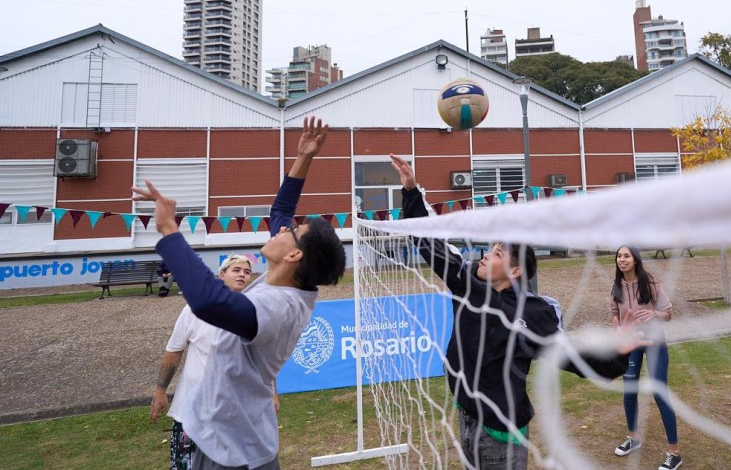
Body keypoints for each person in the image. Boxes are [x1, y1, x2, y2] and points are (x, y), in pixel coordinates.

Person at [389, 154, 649, 470]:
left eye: (497, 253)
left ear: (514, 272)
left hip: (501, 433)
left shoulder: (533, 314)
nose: (485, 256)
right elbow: (430, 244)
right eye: (489, 249)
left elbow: (572, 356)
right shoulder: (467, 282)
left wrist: (617, 354)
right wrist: (412, 191)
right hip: (466, 414)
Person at [133, 117, 347, 470]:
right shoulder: (285, 279)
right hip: (221, 441)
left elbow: (208, 301)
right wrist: (304, 156)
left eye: (291, 231)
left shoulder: (280, 306)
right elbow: (280, 210)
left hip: (239, 457)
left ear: (294, 255)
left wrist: (169, 230)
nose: (281, 228)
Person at [150, 254, 263, 470]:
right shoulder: (195, 309)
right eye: (236, 270)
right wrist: (160, 390)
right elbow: (174, 351)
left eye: (247, 272)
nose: (242, 275)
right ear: (222, 275)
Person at [609, 246, 681, 470]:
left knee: (660, 394)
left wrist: (654, 314)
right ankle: (633, 438)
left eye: (627, 256)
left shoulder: (651, 283)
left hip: (654, 343)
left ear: (636, 260)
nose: (622, 260)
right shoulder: (616, 286)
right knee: (629, 391)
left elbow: (668, 314)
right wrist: (617, 328)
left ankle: (674, 453)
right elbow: (613, 313)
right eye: (619, 256)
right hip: (630, 345)